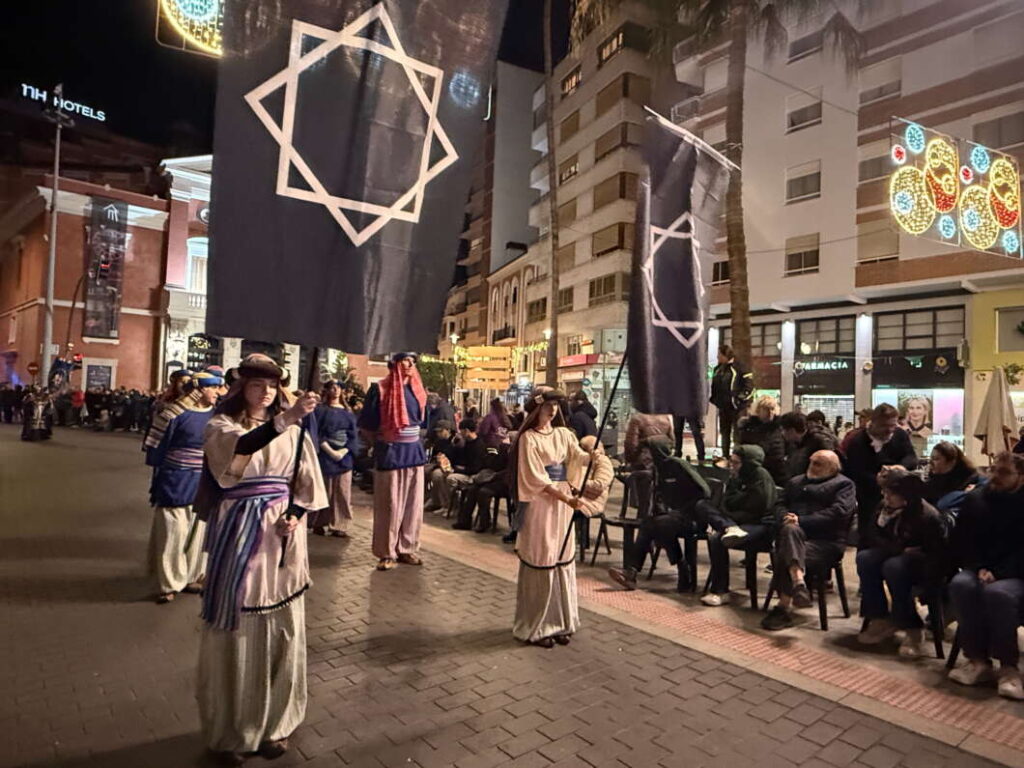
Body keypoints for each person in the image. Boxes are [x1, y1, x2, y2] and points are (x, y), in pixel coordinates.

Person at [198, 355, 324, 765]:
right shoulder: (222, 427)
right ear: (242, 389)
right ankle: (235, 728)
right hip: (238, 532)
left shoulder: (296, 434)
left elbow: (308, 486)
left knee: (282, 627)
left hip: (282, 542)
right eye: (257, 385)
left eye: (272, 385)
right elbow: (239, 453)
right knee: (240, 624)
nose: (266, 392)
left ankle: (275, 724)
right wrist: (285, 420)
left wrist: (296, 515)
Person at [511, 389, 593, 647]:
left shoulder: (563, 434)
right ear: (537, 408)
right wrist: (566, 498)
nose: (553, 410)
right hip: (543, 505)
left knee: (562, 557)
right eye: (548, 405)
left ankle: (562, 622)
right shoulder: (529, 439)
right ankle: (539, 625)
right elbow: (537, 478)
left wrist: (594, 453)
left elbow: (577, 457)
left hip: (563, 501)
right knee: (543, 557)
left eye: (556, 405)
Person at [947, 452, 1024, 699]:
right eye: (993, 470)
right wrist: (978, 566)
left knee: (998, 594)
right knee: (961, 585)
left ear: (1020, 477)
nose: (996, 477)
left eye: (1004, 473)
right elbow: (964, 541)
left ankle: (1009, 668)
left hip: (1018, 573)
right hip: (982, 568)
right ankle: (978, 660)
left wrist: (999, 572)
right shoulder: (977, 500)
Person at [146, 371, 222, 603]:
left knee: (197, 532)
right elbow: (155, 449)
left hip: (203, 480)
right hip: (175, 480)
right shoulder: (172, 413)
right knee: (172, 532)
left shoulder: (216, 416)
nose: (218, 393)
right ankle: (168, 582)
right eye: (214, 388)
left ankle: (192, 575)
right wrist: (162, 478)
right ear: (200, 390)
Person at [856, 470, 948, 656]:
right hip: (895, 552)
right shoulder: (884, 508)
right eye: (885, 492)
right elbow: (872, 535)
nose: (886, 497)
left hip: (924, 565)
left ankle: (912, 626)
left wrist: (900, 552)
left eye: (891, 493)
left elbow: (937, 554)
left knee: (894, 568)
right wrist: (897, 549)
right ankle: (878, 616)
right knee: (865, 558)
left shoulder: (926, 516)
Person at [762, 450, 856, 631]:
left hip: (825, 541)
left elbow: (839, 512)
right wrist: (786, 517)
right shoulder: (796, 482)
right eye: (811, 462)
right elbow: (779, 504)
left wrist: (801, 520)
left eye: (818, 463)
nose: (811, 466)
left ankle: (783, 607)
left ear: (832, 467)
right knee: (790, 532)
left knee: (786, 549)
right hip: (795, 536)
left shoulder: (843, 485)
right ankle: (798, 583)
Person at [608, 436, 711, 592]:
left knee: (653, 525)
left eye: (647, 452)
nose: (644, 457)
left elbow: (705, 491)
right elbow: (661, 498)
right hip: (673, 519)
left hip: (694, 517)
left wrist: (683, 509)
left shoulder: (678, 465)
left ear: (658, 452)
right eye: (642, 453)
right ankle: (681, 570)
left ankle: (633, 572)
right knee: (655, 525)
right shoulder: (658, 471)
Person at [358, 353, 428, 571]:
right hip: (390, 452)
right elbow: (366, 425)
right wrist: (382, 442)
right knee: (389, 505)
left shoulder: (419, 391)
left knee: (412, 505)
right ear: (394, 364)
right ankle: (386, 552)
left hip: (413, 453)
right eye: (405, 360)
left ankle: (407, 548)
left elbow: (424, 422)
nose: (409, 365)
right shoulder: (380, 389)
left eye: (412, 361)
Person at [698, 445, 779, 606]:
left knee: (716, 539)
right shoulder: (735, 477)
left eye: (736, 463)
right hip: (736, 522)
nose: (731, 466)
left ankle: (720, 591)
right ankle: (729, 527)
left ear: (748, 464)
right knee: (702, 505)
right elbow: (725, 503)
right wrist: (735, 509)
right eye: (731, 462)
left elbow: (759, 508)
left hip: (759, 526)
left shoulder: (761, 477)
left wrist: (734, 508)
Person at [842, 403, 918, 547]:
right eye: (885, 426)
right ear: (874, 422)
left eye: (893, 426)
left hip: (899, 497)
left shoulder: (899, 434)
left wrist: (900, 467)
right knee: (868, 539)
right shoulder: (857, 441)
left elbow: (911, 457)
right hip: (870, 498)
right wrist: (879, 479)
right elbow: (856, 472)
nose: (890, 430)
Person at [311, 380, 360, 538]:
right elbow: (316, 433)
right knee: (325, 490)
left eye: (338, 387)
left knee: (342, 492)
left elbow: (353, 436)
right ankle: (319, 521)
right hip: (325, 453)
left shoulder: (348, 413)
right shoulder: (320, 411)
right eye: (332, 387)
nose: (336, 390)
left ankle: (340, 524)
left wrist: (344, 451)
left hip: (344, 457)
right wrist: (329, 450)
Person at [623, 411, 675, 519]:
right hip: (661, 463)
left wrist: (629, 460)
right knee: (659, 501)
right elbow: (672, 442)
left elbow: (631, 446)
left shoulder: (637, 419)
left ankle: (643, 528)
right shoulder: (667, 417)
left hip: (642, 464)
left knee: (644, 503)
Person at [709, 345, 753, 458]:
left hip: (737, 407)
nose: (717, 357)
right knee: (724, 432)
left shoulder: (740, 368)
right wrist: (714, 399)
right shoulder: (717, 369)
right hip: (723, 406)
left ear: (725, 355)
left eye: (719, 354)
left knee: (737, 433)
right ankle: (725, 455)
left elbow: (749, 386)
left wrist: (739, 399)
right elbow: (714, 386)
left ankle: (737, 456)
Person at [737, 396, 788, 486]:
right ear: (758, 410)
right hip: (755, 473)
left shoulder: (781, 428)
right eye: (766, 409)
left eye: (772, 409)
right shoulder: (749, 430)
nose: (770, 412)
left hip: (778, 474)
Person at [448, 419, 487, 528]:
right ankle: (458, 507)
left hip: (475, 475)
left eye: (461, 431)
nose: (460, 433)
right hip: (468, 472)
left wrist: (459, 470)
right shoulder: (467, 443)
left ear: (466, 431)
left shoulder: (479, 445)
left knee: (452, 478)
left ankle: (458, 509)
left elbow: (475, 468)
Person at [781, 411, 839, 479]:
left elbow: (830, 468)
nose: (782, 433)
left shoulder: (819, 441)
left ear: (792, 430)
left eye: (783, 430)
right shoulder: (794, 443)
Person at [923, 441, 978, 512]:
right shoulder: (932, 482)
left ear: (951, 462)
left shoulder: (969, 480)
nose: (931, 462)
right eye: (931, 458)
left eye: (936, 459)